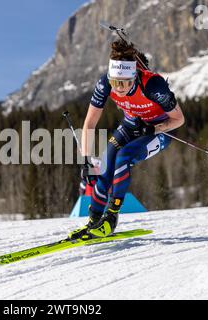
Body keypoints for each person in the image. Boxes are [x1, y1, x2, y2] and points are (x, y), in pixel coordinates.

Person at [68, 39, 185, 239]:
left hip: (159, 131)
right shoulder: (105, 83)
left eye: (124, 84)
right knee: (105, 165)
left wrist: (152, 128)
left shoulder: (153, 85)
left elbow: (178, 120)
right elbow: (89, 124)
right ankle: (94, 221)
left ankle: (111, 218)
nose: (119, 89)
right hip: (131, 126)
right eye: (115, 83)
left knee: (124, 157)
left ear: (134, 77)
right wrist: (86, 161)